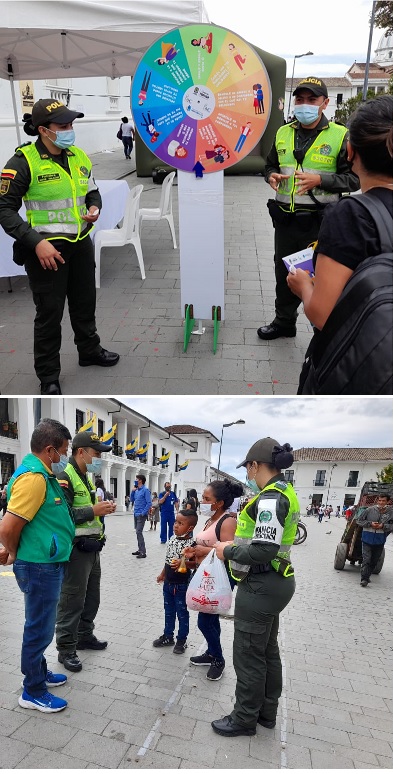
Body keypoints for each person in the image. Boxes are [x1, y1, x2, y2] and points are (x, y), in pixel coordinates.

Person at [0, 99, 120, 395]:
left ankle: (89, 351)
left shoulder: (79, 155)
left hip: (80, 243)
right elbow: (4, 209)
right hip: (46, 252)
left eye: (71, 125)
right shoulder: (23, 162)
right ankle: (48, 376)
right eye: (63, 126)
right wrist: (36, 243)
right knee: (49, 315)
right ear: (43, 130)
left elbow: (92, 191)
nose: (69, 130)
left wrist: (94, 207)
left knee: (84, 304)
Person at [287, 96, 393, 395]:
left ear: (350, 151)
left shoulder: (351, 216)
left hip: (358, 363)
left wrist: (303, 285)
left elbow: (322, 314)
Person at [210, 438, 299, 736]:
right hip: (276, 581)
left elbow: (262, 550)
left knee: (248, 655)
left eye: (248, 467)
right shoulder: (284, 491)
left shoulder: (270, 499)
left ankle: (244, 718)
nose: (247, 474)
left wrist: (227, 550)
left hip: (261, 584)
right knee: (266, 651)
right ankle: (266, 713)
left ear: (255, 465)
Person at [259, 77, 359, 342]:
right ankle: (283, 322)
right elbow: (269, 165)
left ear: (324, 103)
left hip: (322, 222)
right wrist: (271, 176)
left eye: (311, 100)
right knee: (285, 273)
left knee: (322, 277)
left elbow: (355, 179)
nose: (304, 105)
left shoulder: (340, 135)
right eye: (300, 99)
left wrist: (321, 180)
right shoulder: (283, 132)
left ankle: (323, 328)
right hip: (286, 219)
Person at [0, 418, 74, 712]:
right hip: (39, 566)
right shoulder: (34, 478)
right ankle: (32, 690)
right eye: (64, 451)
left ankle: (39, 672)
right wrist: (16, 553)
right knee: (39, 629)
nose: (64, 458)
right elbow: (7, 528)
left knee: (41, 624)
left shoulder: (44, 475)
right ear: (49, 450)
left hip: (46, 563)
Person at [54, 430, 115, 673]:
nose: (99, 458)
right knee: (71, 600)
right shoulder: (65, 476)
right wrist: (93, 511)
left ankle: (84, 636)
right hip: (75, 551)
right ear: (81, 452)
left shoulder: (86, 477)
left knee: (91, 598)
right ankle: (66, 648)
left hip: (92, 549)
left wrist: (102, 510)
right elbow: (62, 516)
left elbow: (90, 510)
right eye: (97, 453)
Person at [184, 480, 242, 680]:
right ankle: (211, 653)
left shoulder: (228, 521)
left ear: (219, 503)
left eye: (207, 499)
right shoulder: (211, 520)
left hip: (218, 578)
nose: (202, 502)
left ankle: (218, 658)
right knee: (210, 619)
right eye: (203, 497)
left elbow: (229, 551)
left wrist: (202, 550)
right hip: (204, 576)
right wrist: (192, 552)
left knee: (205, 622)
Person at [153, 509, 198, 655]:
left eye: (180, 523)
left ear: (190, 528)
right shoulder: (172, 539)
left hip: (182, 585)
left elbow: (195, 564)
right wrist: (162, 574)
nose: (175, 526)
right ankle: (168, 636)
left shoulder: (192, 545)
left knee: (182, 613)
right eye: (175, 522)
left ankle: (181, 640)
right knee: (169, 612)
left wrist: (183, 561)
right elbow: (167, 561)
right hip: (168, 584)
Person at [356, 493, 392, 587]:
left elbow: (392, 526)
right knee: (366, 559)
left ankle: (367, 576)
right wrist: (370, 524)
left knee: (374, 561)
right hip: (367, 538)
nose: (381, 502)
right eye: (379, 500)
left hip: (380, 540)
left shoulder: (391, 512)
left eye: (383, 501)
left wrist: (383, 526)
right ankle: (364, 579)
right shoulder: (369, 510)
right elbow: (359, 520)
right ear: (377, 501)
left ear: (388, 501)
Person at [130, 474, 151, 558]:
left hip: (141, 515)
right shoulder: (137, 490)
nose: (135, 480)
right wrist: (132, 491)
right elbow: (132, 500)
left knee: (139, 532)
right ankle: (140, 549)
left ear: (140, 480)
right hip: (136, 513)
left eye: (137, 479)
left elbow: (149, 503)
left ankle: (143, 552)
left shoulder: (145, 490)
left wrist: (143, 513)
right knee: (137, 532)